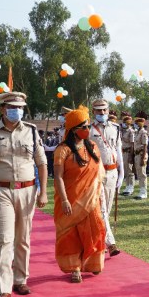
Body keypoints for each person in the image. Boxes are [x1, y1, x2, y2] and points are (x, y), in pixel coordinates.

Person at [0, 91, 48, 297]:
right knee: (4, 238)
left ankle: (20, 279)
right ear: (2, 109)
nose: (17, 111)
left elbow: (41, 163)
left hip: (27, 190)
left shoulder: (32, 132)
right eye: (12, 107)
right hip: (0, 191)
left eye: (20, 107)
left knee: (23, 238)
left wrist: (43, 191)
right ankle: (3, 289)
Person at [53, 106, 107, 283]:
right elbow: (58, 177)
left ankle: (93, 263)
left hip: (91, 199)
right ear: (73, 129)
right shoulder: (62, 150)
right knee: (71, 235)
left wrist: (97, 192)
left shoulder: (92, 146)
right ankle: (75, 268)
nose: (87, 130)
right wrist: (65, 200)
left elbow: (99, 172)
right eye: (83, 126)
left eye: (88, 126)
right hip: (70, 199)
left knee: (95, 229)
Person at [89, 99, 124, 257]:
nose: (102, 113)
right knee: (101, 209)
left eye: (104, 110)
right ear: (93, 112)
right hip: (97, 172)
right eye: (98, 110)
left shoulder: (115, 128)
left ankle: (100, 241)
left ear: (108, 110)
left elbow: (118, 150)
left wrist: (121, 172)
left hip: (112, 172)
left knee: (106, 210)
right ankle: (111, 243)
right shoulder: (89, 130)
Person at [132, 111, 149, 200]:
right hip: (137, 155)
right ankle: (141, 190)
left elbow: (145, 146)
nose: (134, 124)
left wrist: (143, 158)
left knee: (142, 174)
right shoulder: (137, 132)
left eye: (136, 123)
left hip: (141, 155)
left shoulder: (143, 133)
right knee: (139, 173)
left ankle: (144, 192)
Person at [120, 111, 136, 196]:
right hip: (123, 152)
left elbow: (132, 144)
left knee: (130, 171)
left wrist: (131, 156)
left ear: (128, 123)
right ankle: (127, 186)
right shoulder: (123, 131)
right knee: (125, 170)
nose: (123, 124)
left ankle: (131, 187)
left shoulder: (131, 131)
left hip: (128, 152)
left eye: (124, 122)